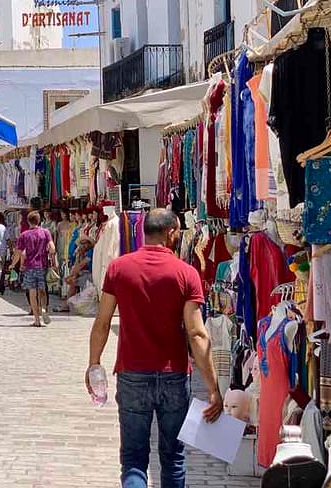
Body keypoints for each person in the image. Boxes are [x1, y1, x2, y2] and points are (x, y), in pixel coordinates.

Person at [87, 208, 222, 488]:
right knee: (173, 457)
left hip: (132, 372)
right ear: (172, 232)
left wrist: (94, 364)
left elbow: (102, 322)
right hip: (173, 375)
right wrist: (212, 388)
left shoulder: (119, 268)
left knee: (134, 459)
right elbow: (197, 333)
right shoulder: (186, 273)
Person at [10, 210, 54, 326]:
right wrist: (52, 258)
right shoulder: (45, 232)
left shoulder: (24, 235)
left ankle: (37, 320)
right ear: (39, 221)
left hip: (29, 266)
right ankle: (44, 308)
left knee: (32, 293)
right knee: (42, 290)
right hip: (42, 265)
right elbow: (52, 248)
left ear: (28, 221)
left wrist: (13, 265)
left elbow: (19, 253)